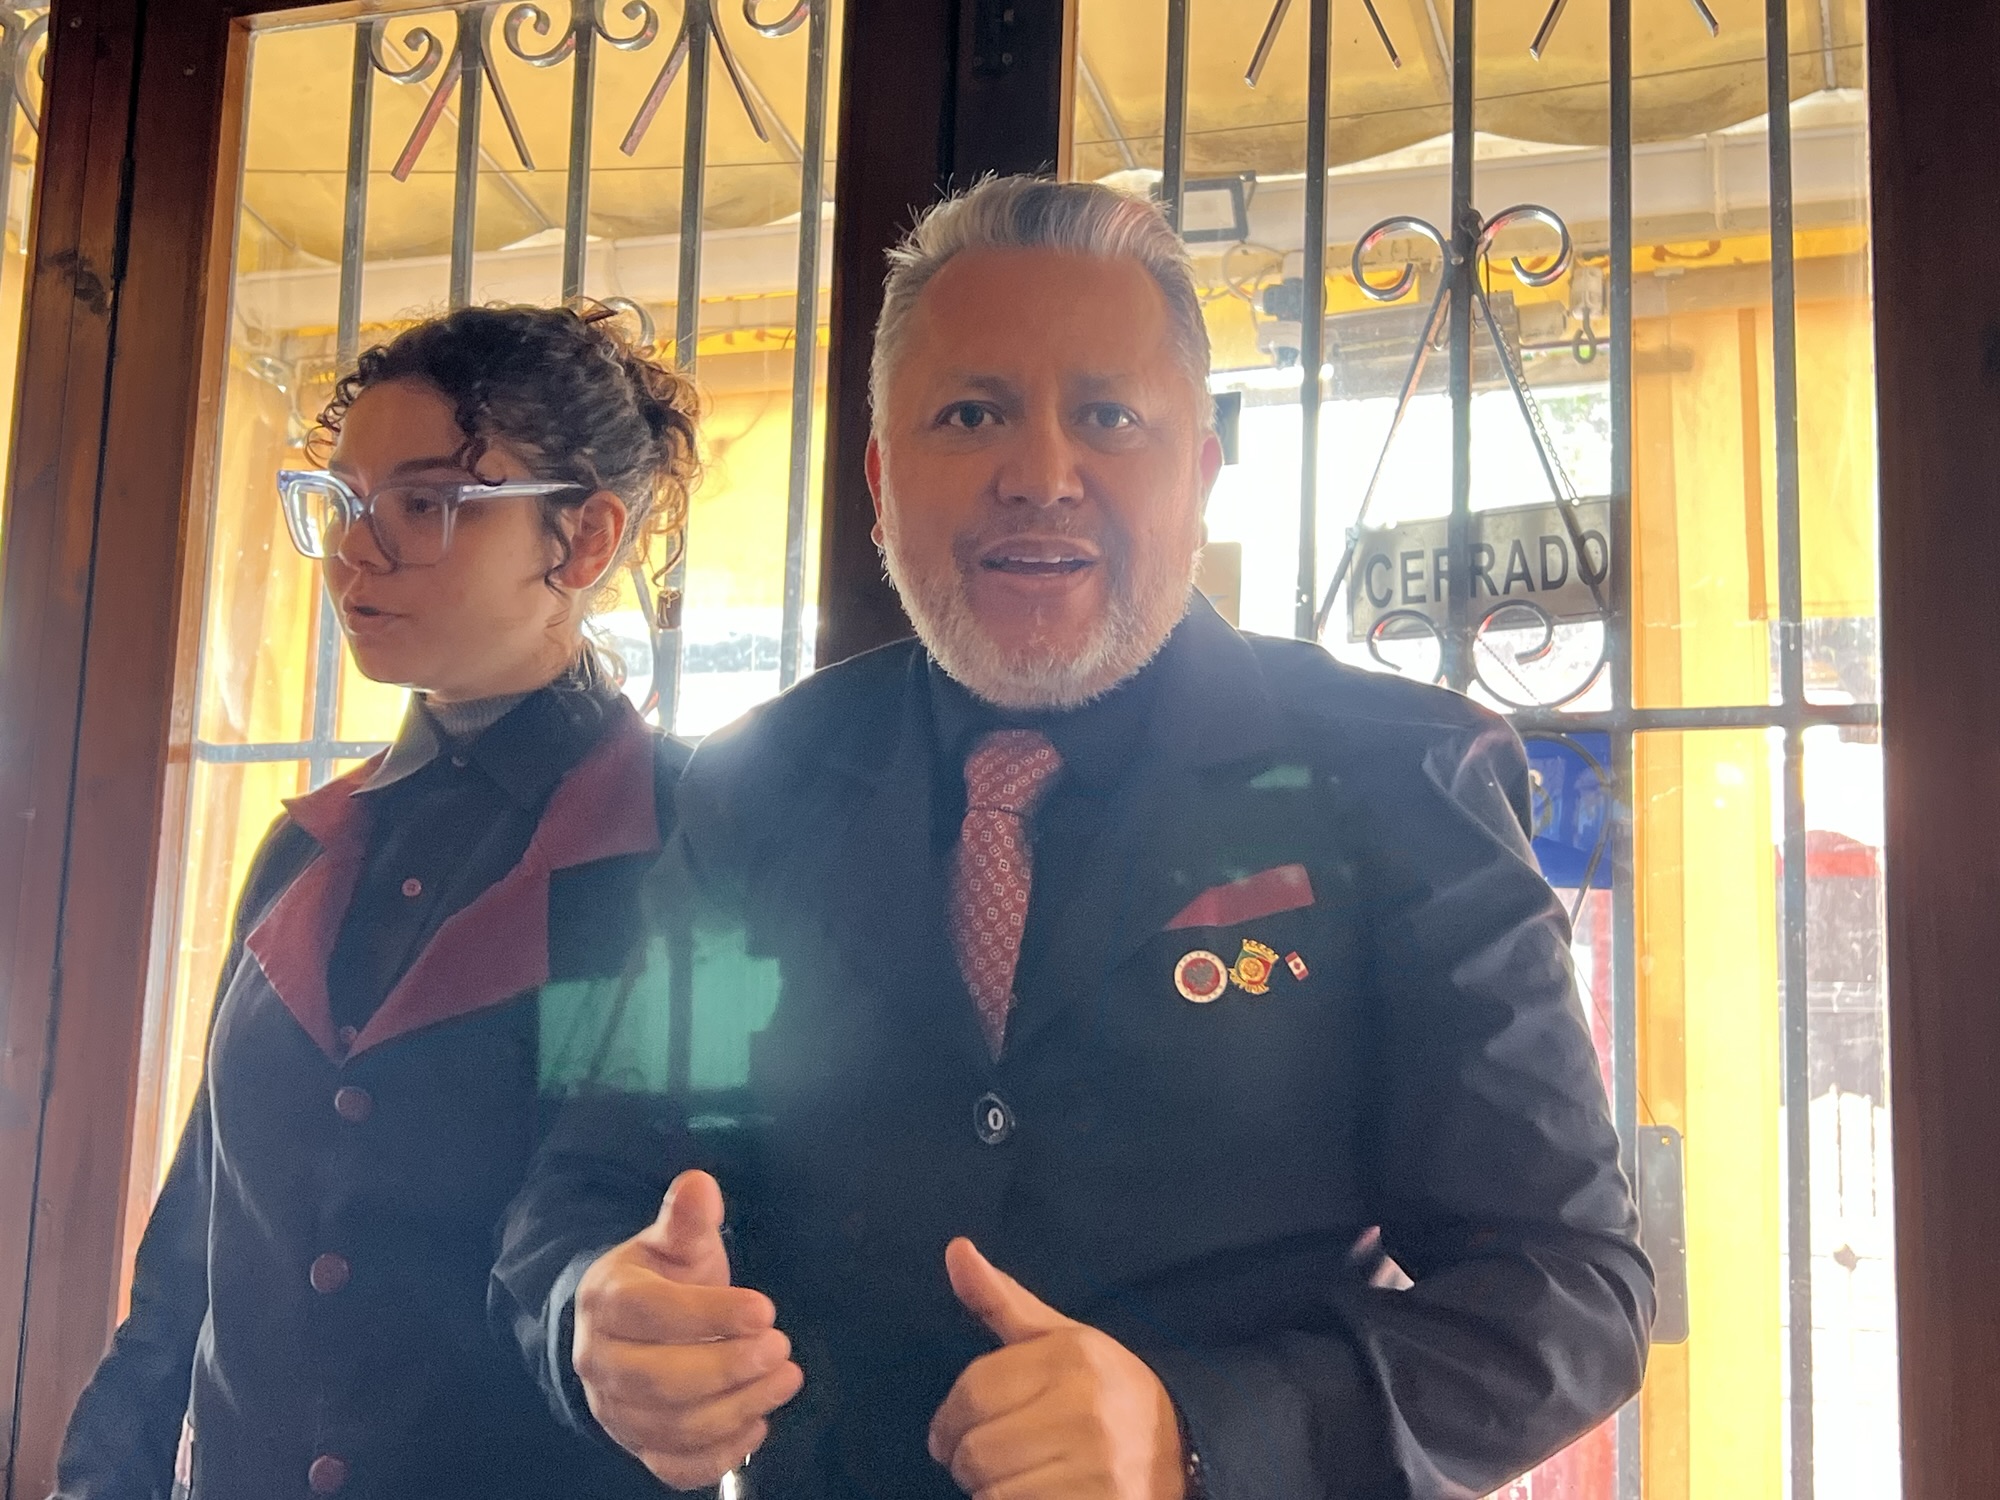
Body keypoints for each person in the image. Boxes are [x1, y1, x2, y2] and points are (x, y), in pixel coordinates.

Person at [494, 178, 1654, 1500]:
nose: (1039, 476)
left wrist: (1197, 1431)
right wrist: (595, 1316)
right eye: (970, 413)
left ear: (1198, 474)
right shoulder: (752, 785)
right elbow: (585, 1183)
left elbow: (1572, 1291)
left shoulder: (1401, 776)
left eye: (1108, 416)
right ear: (879, 481)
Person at [53, 304, 700, 1500]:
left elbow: (659, 1216)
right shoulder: (301, 849)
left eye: (427, 503)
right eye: (344, 501)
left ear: (584, 539)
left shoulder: (682, 849)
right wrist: (102, 1478)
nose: (356, 550)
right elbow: (195, 1240)